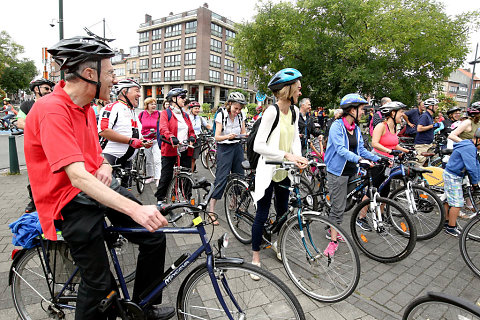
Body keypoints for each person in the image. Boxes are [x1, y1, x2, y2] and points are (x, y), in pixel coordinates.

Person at [24, 36, 173, 320]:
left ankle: (143, 307)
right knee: (100, 288)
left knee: (154, 236)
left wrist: (105, 164)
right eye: (110, 73)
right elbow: (77, 177)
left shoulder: (86, 109)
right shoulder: (51, 110)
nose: (114, 80)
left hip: (96, 188)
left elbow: (95, 154)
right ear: (90, 74)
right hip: (68, 201)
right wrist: (136, 208)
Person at [250, 68, 307, 274]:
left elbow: (295, 139)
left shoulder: (293, 111)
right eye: (298, 88)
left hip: (284, 172)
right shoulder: (271, 112)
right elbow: (259, 146)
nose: (300, 92)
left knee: (283, 213)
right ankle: (255, 256)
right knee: (262, 215)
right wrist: (286, 155)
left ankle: (277, 245)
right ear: (288, 89)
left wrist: (298, 158)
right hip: (268, 170)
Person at [324, 93, 379, 256]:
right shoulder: (336, 126)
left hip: (351, 171)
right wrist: (360, 159)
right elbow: (341, 150)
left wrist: (378, 158)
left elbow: (361, 149)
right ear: (351, 109)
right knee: (338, 208)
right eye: (361, 109)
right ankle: (332, 241)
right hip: (337, 172)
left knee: (345, 203)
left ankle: (332, 224)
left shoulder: (355, 128)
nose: (363, 112)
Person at [98, 79, 153, 187]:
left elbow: (135, 135)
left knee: (124, 193)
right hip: (110, 157)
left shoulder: (131, 111)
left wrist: (143, 141)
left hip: (127, 161)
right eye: (136, 91)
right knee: (108, 195)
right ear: (124, 92)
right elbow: (104, 131)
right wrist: (130, 141)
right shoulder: (112, 107)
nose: (139, 95)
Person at [208, 92, 247, 224]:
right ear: (229, 104)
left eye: (240, 109)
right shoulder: (221, 114)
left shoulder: (241, 116)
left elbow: (243, 132)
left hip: (237, 147)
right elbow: (216, 136)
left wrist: (245, 136)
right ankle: (211, 210)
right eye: (236, 108)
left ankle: (235, 201)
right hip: (224, 148)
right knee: (221, 178)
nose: (237, 111)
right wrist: (227, 136)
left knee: (239, 176)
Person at [18, 77, 55, 213]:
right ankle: (34, 201)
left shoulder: (53, 103)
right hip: (35, 147)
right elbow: (20, 122)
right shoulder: (26, 105)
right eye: (46, 88)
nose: (49, 91)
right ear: (36, 89)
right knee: (34, 175)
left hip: (52, 145)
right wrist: (41, 128)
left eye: (50, 89)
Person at [154, 88, 196, 204]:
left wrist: (192, 137)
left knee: (187, 175)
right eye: (182, 97)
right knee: (166, 175)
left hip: (185, 150)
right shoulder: (165, 113)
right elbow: (163, 128)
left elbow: (191, 130)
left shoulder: (185, 115)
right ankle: (160, 200)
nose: (184, 100)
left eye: (184, 98)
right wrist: (171, 137)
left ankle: (187, 199)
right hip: (170, 149)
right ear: (174, 99)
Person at [443, 127, 480, 237]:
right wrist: (475, 184)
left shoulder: (470, 146)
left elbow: (476, 165)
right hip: (453, 176)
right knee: (457, 203)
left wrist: (476, 180)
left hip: (455, 174)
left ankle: (446, 221)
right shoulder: (469, 148)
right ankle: (451, 227)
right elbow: (472, 167)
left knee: (449, 200)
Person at [370, 101, 410, 196]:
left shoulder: (394, 128)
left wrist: (406, 151)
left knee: (385, 192)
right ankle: (362, 210)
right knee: (372, 192)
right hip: (378, 162)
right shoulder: (381, 126)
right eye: (401, 112)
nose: (402, 114)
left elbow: (393, 144)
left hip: (389, 162)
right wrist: (390, 151)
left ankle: (382, 211)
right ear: (393, 113)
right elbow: (374, 143)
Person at [138, 97, 162, 186]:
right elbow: (139, 125)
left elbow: (161, 125)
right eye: (151, 104)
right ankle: (150, 176)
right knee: (148, 160)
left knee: (157, 160)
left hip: (155, 140)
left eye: (155, 104)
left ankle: (158, 178)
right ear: (147, 105)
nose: (154, 106)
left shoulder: (159, 114)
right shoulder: (141, 114)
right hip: (146, 140)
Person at [188, 100, 212, 172]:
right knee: (188, 158)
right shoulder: (187, 117)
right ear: (191, 109)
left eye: (198, 108)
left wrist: (213, 129)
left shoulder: (200, 118)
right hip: (189, 139)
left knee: (194, 158)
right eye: (195, 108)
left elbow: (207, 125)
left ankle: (190, 174)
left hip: (197, 139)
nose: (197, 110)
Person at [414, 98, 439, 165]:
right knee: (419, 164)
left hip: (428, 144)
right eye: (436, 105)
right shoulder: (425, 116)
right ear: (430, 106)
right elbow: (419, 128)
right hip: (422, 145)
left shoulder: (430, 116)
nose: (437, 107)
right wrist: (431, 126)